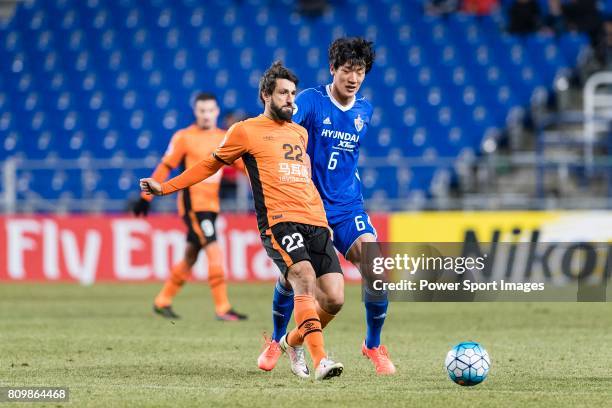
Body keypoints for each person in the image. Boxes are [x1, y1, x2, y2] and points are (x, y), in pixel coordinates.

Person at [140, 61, 345, 380]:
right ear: (266, 94)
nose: (291, 99)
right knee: (303, 276)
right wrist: (165, 187)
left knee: (334, 298)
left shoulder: (300, 133)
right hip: (279, 220)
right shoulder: (244, 130)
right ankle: (321, 360)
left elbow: (304, 178)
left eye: (293, 93)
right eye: (283, 93)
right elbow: (209, 165)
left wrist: (324, 216)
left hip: (314, 220)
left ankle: (291, 342)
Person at [257, 38, 396, 375]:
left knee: (376, 268)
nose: (353, 77)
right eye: (347, 69)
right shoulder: (310, 102)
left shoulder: (365, 110)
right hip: (305, 205)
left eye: (360, 71)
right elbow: (282, 128)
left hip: (347, 206)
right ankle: (275, 340)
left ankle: (372, 345)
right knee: (295, 280)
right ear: (332, 69)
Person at [132, 92, 247, 321]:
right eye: (201, 111)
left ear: (216, 112)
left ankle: (162, 300)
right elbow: (166, 166)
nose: (206, 115)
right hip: (194, 205)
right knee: (214, 251)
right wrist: (145, 198)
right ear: (196, 112)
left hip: (212, 206)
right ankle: (222, 308)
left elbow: (243, 165)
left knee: (191, 256)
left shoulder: (225, 138)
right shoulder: (184, 137)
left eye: (210, 110)